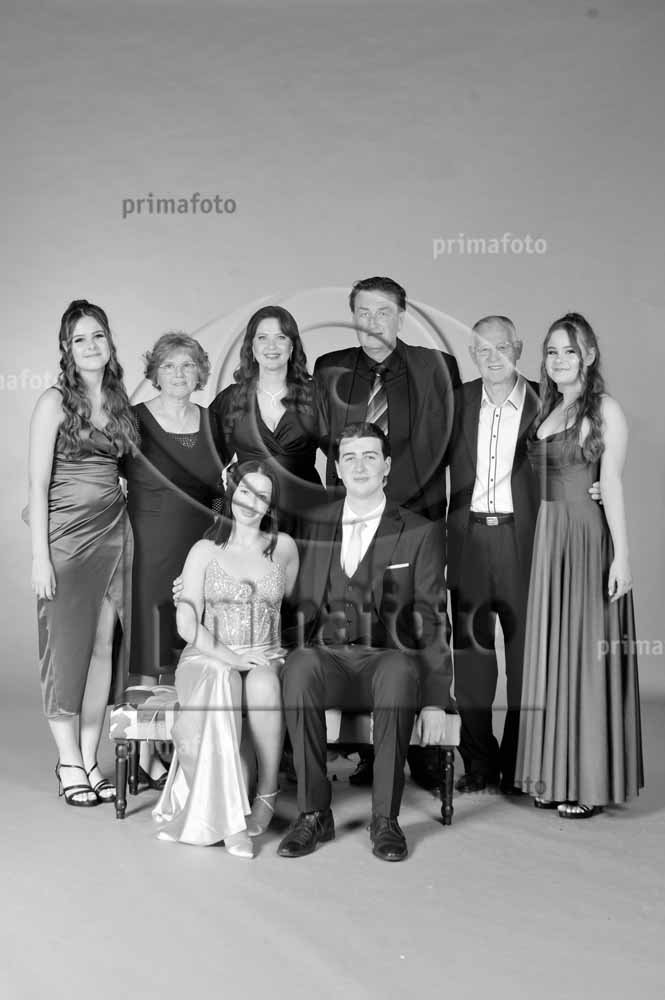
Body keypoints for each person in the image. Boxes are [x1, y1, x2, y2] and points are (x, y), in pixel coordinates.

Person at [277, 422, 455, 862]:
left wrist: (436, 700)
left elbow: (433, 618)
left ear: (387, 466)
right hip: (328, 660)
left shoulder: (419, 531)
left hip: (386, 660)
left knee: (397, 671)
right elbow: (288, 596)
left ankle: (385, 820)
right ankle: (314, 813)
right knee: (299, 666)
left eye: (370, 456)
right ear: (337, 467)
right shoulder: (314, 524)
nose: (360, 466)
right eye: (350, 458)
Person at [313, 276, 461, 789]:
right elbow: (320, 442)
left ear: (402, 315)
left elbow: (454, 442)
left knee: (419, 620)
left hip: (416, 514)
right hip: (355, 513)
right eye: (363, 311)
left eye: (383, 311)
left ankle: (423, 741)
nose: (372, 322)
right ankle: (363, 748)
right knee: (354, 621)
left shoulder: (436, 367)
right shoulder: (329, 369)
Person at [515, 313, 644, 817]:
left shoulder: (604, 408)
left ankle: (586, 783)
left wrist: (623, 557)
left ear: (589, 355)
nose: (559, 359)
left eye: (570, 350)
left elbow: (609, 484)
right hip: (550, 540)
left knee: (586, 656)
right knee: (555, 653)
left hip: (587, 539)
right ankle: (554, 775)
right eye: (552, 351)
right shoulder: (548, 406)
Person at [154, 461, 299, 857]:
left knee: (264, 682)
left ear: (271, 505)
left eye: (262, 496)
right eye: (245, 491)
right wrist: (232, 657)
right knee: (224, 678)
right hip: (207, 655)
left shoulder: (284, 548)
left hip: (265, 652)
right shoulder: (205, 550)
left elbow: (289, 602)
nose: (251, 502)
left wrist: (262, 649)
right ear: (232, 493)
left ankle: (267, 791)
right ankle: (229, 817)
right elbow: (187, 623)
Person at [28, 299, 138, 806]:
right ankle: (68, 759)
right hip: (67, 542)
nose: (91, 346)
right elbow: (37, 484)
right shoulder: (53, 402)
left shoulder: (119, 401)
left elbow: (126, 467)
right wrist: (40, 557)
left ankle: (91, 757)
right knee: (63, 650)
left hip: (115, 535)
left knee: (101, 650)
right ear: (67, 349)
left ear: (109, 342)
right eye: (80, 339)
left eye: (98, 336)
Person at [123, 332, 224, 788]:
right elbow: (103, 475)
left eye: (187, 365)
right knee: (149, 645)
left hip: (198, 548)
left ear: (200, 372)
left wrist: (219, 537)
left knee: (185, 646)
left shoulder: (212, 422)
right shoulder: (134, 421)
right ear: (155, 374)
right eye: (168, 366)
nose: (179, 374)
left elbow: (222, 490)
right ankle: (144, 754)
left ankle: (176, 748)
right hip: (148, 547)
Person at [446, 316, 540, 794]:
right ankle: (479, 762)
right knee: (472, 658)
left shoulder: (546, 401)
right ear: (473, 354)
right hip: (468, 541)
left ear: (518, 348)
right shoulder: (457, 401)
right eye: (483, 350)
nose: (493, 357)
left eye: (501, 347)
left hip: (524, 541)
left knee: (526, 658)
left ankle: (520, 762)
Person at [209, 305, 325, 538]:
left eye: (281, 337)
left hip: (310, 518)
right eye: (262, 338)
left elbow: (341, 455)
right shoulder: (230, 399)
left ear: (292, 346)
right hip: (248, 517)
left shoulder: (316, 395)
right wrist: (218, 512)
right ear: (251, 347)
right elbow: (207, 465)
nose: (271, 346)